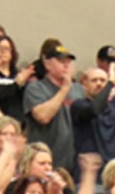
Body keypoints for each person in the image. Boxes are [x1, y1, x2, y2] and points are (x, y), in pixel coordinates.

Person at [23, 44, 83, 172]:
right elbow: (43, 116)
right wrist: (65, 89)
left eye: (68, 62)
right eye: (61, 61)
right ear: (47, 64)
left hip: (74, 164)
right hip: (47, 163)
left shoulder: (78, 90)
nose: (66, 65)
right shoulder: (36, 88)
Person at [70, 65, 115, 177]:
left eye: (102, 80)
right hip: (87, 173)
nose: (99, 84)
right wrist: (110, 83)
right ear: (85, 85)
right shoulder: (78, 105)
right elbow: (94, 109)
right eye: (94, 80)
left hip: (111, 172)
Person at [0, 35, 34, 123]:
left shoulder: (17, 74)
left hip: (19, 122)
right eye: (1, 49)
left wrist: (23, 84)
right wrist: (16, 84)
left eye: (7, 49)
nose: (4, 52)